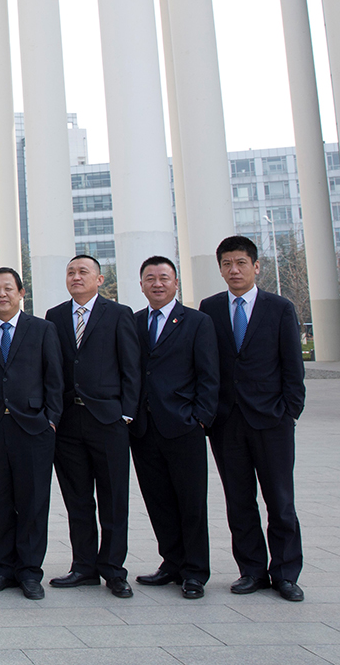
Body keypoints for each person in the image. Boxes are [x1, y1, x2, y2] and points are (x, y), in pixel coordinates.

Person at [199, 235, 306, 602]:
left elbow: (293, 366)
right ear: (220, 269)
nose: (234, 270)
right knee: (239, 500)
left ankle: (286, 574)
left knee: (280, 501)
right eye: (227, 264)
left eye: (241, 263)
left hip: (272, 421)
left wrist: (289, 412)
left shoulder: (280, 308)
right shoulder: (210, 308)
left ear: (256, 266)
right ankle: (252, 571)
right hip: (227, 422)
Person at [43, 255, 140, 599]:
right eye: (71, 272)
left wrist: (126, 414)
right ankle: (83, 567)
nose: (76, 276)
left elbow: (131, 367)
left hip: (108, 421)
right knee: (78, 499)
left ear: (99, 279)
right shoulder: (55, 316)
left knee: (114, 499)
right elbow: (51, 368)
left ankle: (113, 569)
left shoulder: (118, 314)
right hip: (69, 423)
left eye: (83, 272)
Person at [0, 267, 62, 600]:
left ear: (21, 293)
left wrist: (50, 420)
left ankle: (30, 571)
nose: (2, 294)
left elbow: (54, 378)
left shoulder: (43, 329)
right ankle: (3, 568)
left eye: (8, 288)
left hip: (33, 428)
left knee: (33, 502)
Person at [130, 256, 219, 600]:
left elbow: (209, 375)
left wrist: (200, 418)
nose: (157, 284)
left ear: (176, 283)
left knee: (191, 502)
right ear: (141, 285)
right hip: (144, 428)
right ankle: (172, 563)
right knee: (159, 501)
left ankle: (195, 571)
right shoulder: (134, 322)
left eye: (164, 278)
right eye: (150, 278)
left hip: (184, 426)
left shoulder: (197, 322)